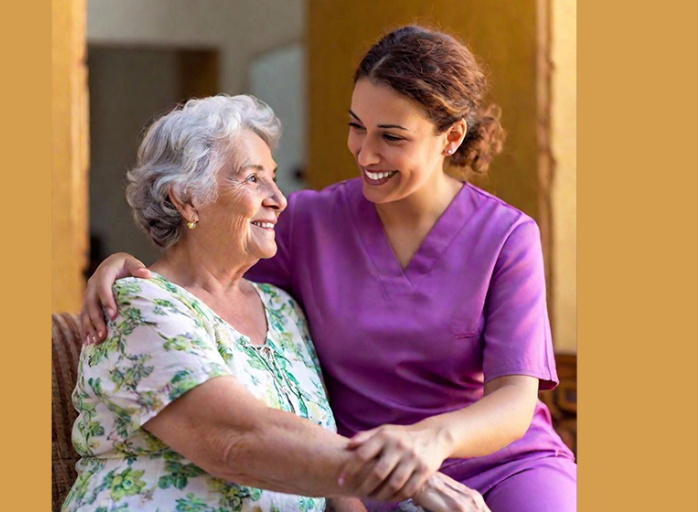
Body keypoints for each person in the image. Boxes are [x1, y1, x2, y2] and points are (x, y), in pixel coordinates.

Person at [81, 26, 577, 512]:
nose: (365, 152)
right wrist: (124, 265)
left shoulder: (507, 235)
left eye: (391, 136)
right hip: (360, 468)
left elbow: (514, 400)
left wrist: (427, 443)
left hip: (496, 460)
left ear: (450, 138)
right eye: (356, 125)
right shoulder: (305, 223)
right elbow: (205, 278)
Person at [62, 94, 488, 512]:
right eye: (252, 178)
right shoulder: (138, 306)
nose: (279, 198)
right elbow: (237, 440)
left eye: (274, 176)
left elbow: (326, 467)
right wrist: (412, 478)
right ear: (185, 198)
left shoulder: (282, 309)